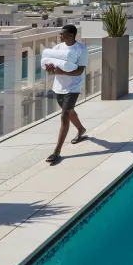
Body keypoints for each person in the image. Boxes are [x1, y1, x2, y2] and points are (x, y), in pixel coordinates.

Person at [45, 24, 89, 165]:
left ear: (70, 35)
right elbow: (51, 67)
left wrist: (61, 72)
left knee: (64, 114)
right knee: (69, 112)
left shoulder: (81, 50)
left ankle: (57, 151)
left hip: (73, 87)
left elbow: (79, 71)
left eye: (62, 34)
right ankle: (81, 129)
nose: (60, 36)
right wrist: (50, 70)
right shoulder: (58, 48)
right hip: (59, 86)